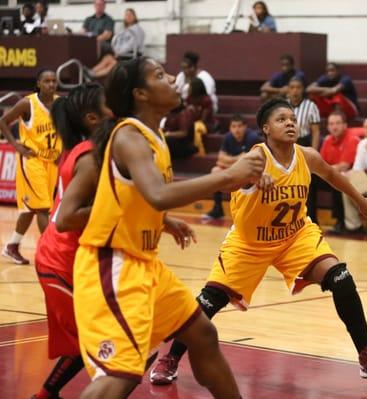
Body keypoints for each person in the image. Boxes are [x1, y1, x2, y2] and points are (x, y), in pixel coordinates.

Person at [150, 98, 367, 385]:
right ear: (266, 128)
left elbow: (333, 174)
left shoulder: (306, 156)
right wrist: (251, 179)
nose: (290, 123)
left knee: (341, 277)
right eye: (282, 119)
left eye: (293, 119)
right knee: (210, 300)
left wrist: (360, 201)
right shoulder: (253, 159)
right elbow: (226, 182)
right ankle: (170, 357)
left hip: (295, 236)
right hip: (249, 243)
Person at [72, 57, 263, 398]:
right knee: (122, 375)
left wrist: (162, 222)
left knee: (202, 334)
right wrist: (229, 176)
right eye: (160, 75)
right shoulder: (129, 137)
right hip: (113, 266)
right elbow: (158, 194)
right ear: (140, 94)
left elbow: (137, 198)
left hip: (146, 264)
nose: (173, 78)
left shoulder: (154, 134)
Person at [32, 83, 112, 399]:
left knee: (105, 339)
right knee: (95, 341)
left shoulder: (86, 148)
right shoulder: (90, 156)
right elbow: (67, 217)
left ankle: (45, 395)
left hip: (73, 258)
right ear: (93, 118)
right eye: (110, 103)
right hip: (60, 260)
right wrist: (121, 204)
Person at [0, 69, 61, 265]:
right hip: (32, 160)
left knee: (30, 208)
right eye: (46, 81)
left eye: (53, 81)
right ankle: (50, 253)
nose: (51, 84)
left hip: (52, 161)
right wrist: (16, 144)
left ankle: (12, 246)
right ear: (39, 84)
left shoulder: (60, 104)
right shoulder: (28, 103)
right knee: (43, 208)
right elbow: (3, 121)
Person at [307, 111, 360, 232]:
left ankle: (340, 221)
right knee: (310, 178)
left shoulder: (352, 139)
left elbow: (345, 166)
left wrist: (326, 170)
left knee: (338, 179)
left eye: (337, 123)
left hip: (351, 178)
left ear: (345, 125)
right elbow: (320, 163)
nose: (334, 127)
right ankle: (312, 221)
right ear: (328, 127)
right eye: (331, 124)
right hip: (331, 174)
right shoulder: (328, 140)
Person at [202, 115, 263, 220]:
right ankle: (218, 209)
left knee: (248, 173)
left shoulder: (252, 138)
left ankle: (250, 211)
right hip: (237, 170)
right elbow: (220, 158)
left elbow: (249, 163)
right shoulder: (228, 137)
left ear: (245, 127)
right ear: (230, 128)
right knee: (215, 171)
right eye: (233, 126)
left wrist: (229, 161)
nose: (236, 130)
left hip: (254, 172)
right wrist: (239, 158)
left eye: (239, 126)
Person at [164, 78, 214, 159]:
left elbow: (202, 120)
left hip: (201, 124)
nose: (188, 89)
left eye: (190, 87)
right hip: (190, 123)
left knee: (198, 127)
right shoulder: (189, 98)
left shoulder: (206, 100)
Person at [287, 76, 320, 149]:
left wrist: (314, 151)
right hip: (286, 143)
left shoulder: (311, 106)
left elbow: (316, 132)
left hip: (303, 143)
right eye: (292, 87)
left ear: (303, 89)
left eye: (298, 87)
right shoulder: (283, 105)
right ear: (288, 90)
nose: (295, 90)